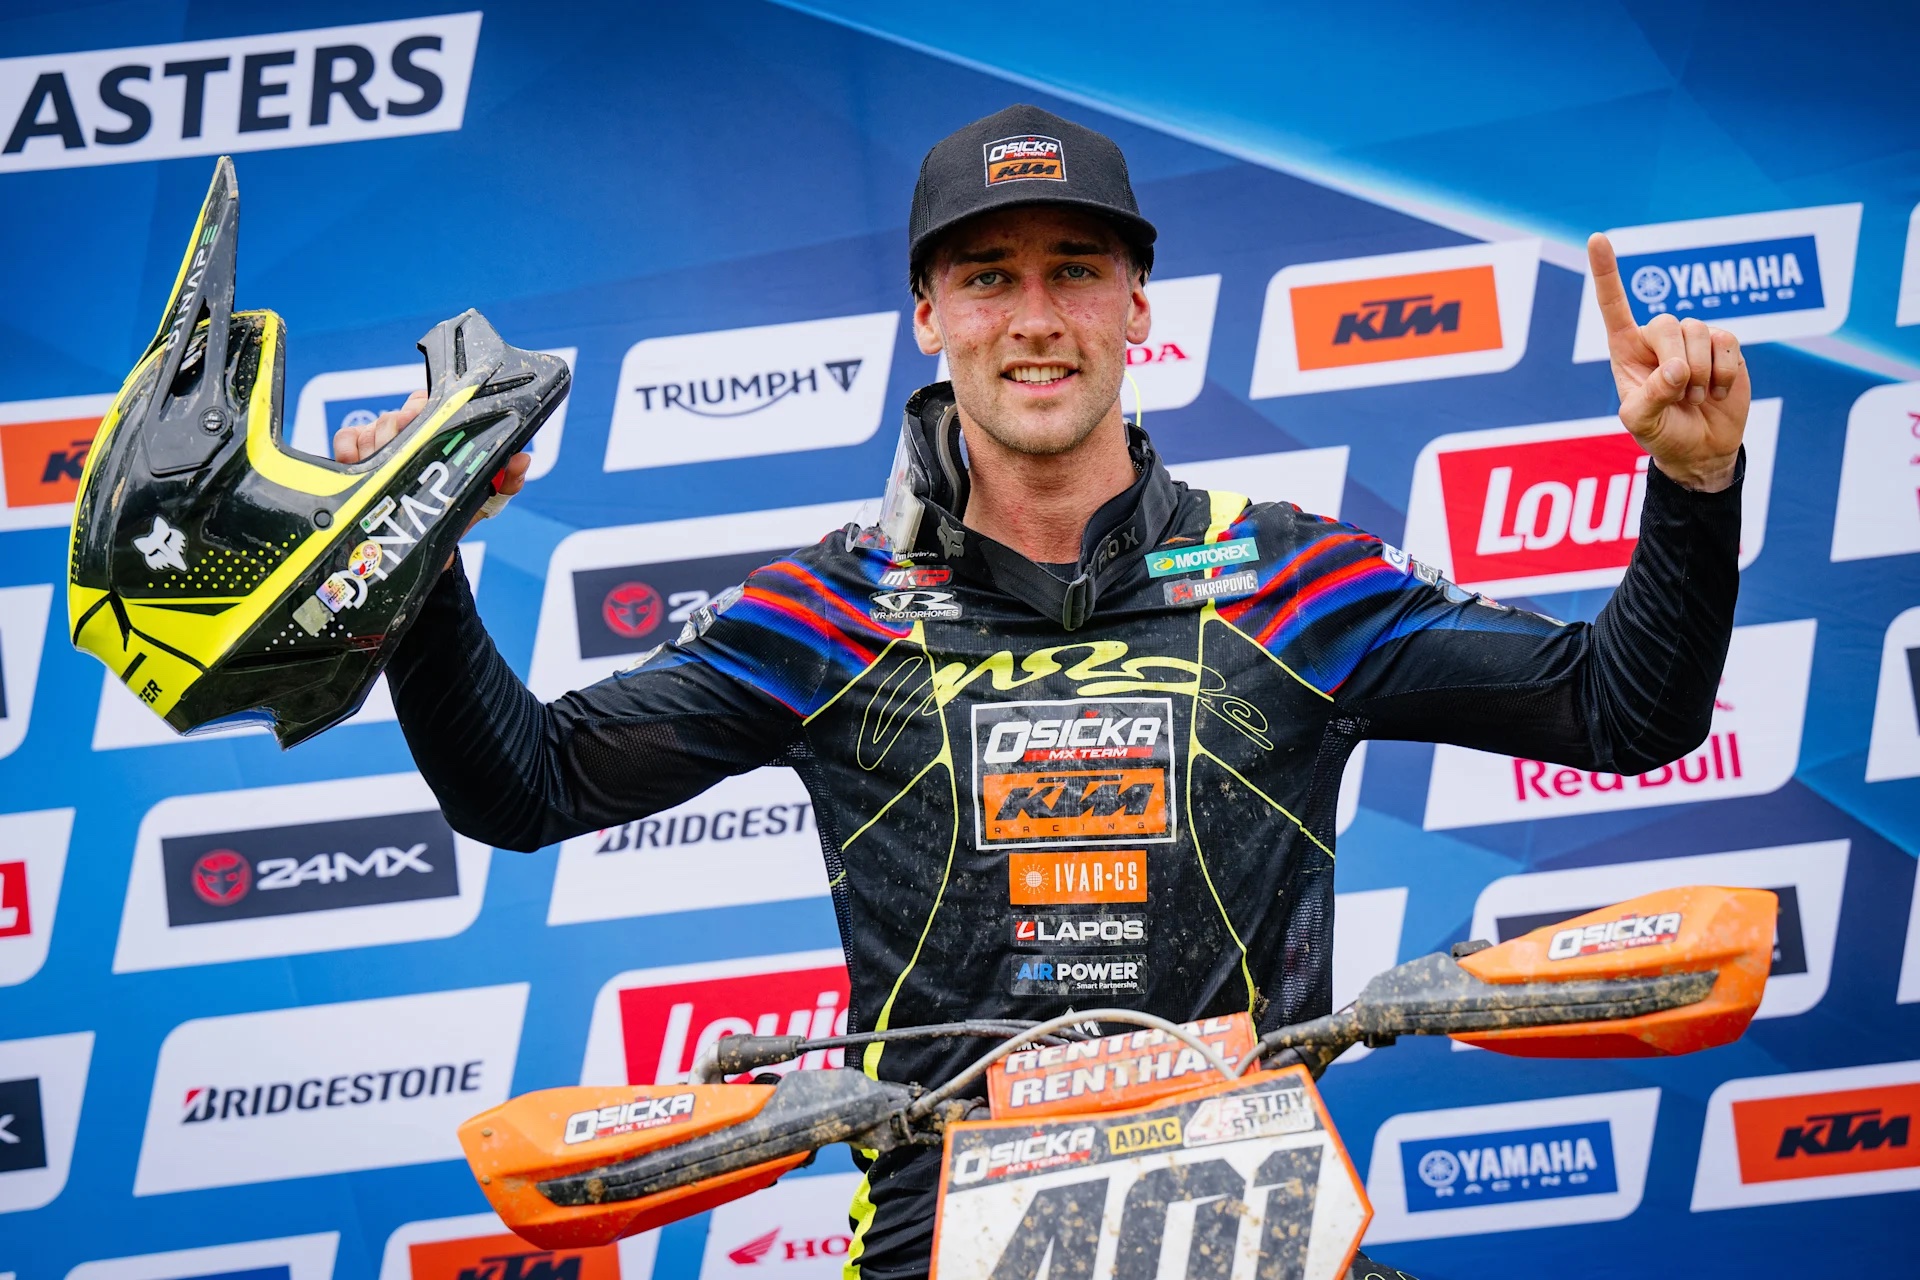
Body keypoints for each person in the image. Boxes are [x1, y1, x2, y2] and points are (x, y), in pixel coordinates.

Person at [339, 105, 1749, 1280]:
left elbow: (1622, 713)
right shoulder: (832, 609)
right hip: (934, 1241)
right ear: (928, 313)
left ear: (1136, 305)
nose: (1035, 320)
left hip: (1257, 1241)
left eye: (1075, 270)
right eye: (987, 277)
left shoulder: (1290, 579)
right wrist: (415, 562)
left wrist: (1693, 484)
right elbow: (524, 786)